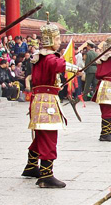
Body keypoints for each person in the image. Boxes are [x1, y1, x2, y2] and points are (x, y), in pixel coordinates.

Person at [21, 20, 78, 187]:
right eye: (58, 39)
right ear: (50, 40)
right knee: (48, 136)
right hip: (46, 102)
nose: (59, 43)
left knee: (41, 135)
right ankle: (46, 175)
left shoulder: (41, 56)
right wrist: (73, 68)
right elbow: (57, 64)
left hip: (42, 98)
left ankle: (31, 166)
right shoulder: (48, 57)